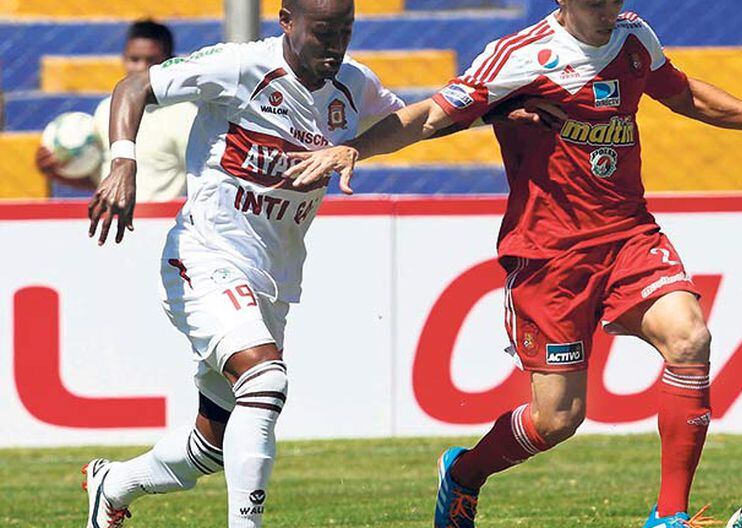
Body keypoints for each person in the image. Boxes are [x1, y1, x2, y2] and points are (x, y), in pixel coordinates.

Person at [285, 1, 742, 527]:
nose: (607, 10)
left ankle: (668, 515)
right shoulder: (520, 56)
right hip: (550, 256)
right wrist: (356, 148)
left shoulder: (633, 36)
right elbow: (432, 114)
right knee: (557, 419)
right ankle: (464, 473)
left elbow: (683, 94)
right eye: (595, 1)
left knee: (690, 338)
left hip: (628, 234)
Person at [81, 1, 553, 527]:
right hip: (205, 255)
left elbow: (414, 122)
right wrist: (123, 161)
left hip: (272, 280)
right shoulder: (240, 67)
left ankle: (113, 484)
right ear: (287, 21)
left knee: (210, 446)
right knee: (265, 380)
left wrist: (491, 113)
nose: (335, 45)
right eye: (323, 32)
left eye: (345, 31)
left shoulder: (353, 84)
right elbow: (134, 87)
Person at [36, 20, 195, 202]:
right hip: (113, 216)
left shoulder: (184, 115)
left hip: (162, 217)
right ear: (124, 59)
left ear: (168, 62)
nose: (141, 67)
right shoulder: (108, 109)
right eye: (134, 59)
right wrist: (56, 170)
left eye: (151, 60)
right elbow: (103, 181)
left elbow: (202, 177)